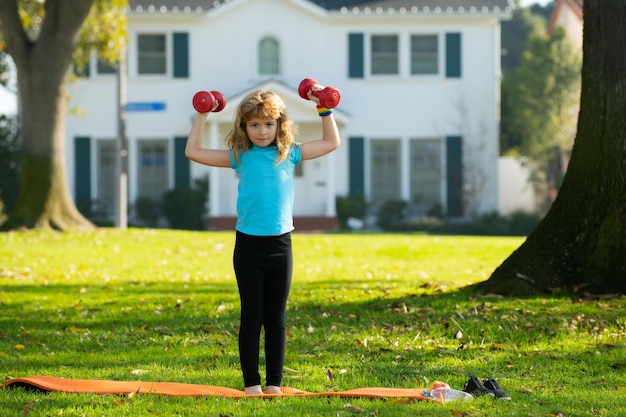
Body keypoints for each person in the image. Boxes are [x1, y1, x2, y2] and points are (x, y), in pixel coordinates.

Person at [185, 86, 340, 395]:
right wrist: (202, 115)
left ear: (279, 124)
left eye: (268, 124)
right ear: (243, 127)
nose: (262, 131)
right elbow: (194, 152)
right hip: (248, 246)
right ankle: (251, 384)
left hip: (281, 246)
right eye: (254, 125)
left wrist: (324, 108)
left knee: (276, 318)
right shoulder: (240, 156)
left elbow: (331, 142)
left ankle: (274, 385)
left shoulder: (290, 153)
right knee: (252, 316)